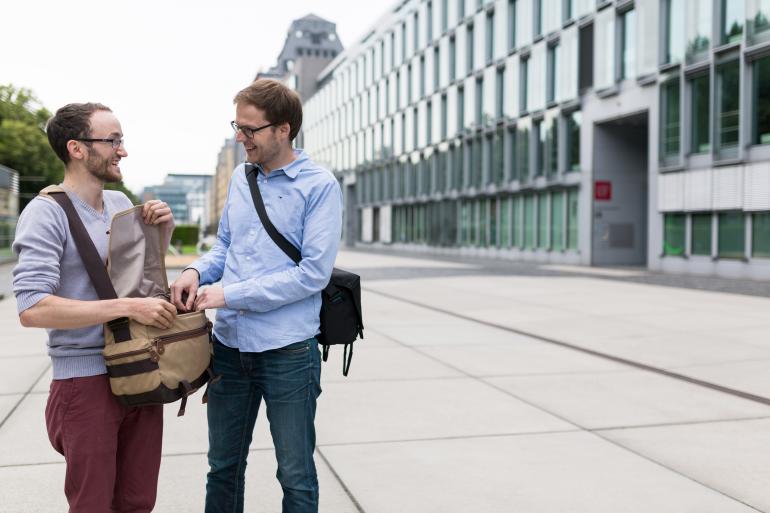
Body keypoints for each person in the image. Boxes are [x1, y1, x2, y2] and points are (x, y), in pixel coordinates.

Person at [170, 79, 343, 513]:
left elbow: (312, 275)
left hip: (288, 351)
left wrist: (227, 295)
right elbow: (225, 245)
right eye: (237, 126)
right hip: (229, 348)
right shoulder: (241, 180)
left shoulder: (319, 186)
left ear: (283, 129)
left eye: (249, 129)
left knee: (295, 474)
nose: (239, 137)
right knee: (222, 468)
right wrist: (194, 270)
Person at [12, 102, 177, 513]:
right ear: (77, 148)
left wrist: (163, 234)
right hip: (84, 382)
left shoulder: (122, 204)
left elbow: (143, 283)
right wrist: (127, 308)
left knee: (138, 502)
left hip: (140, 369)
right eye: (113, 140)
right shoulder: (45, 213)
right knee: (92, 505)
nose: (122, 151)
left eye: (122, 140)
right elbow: (32, 307)